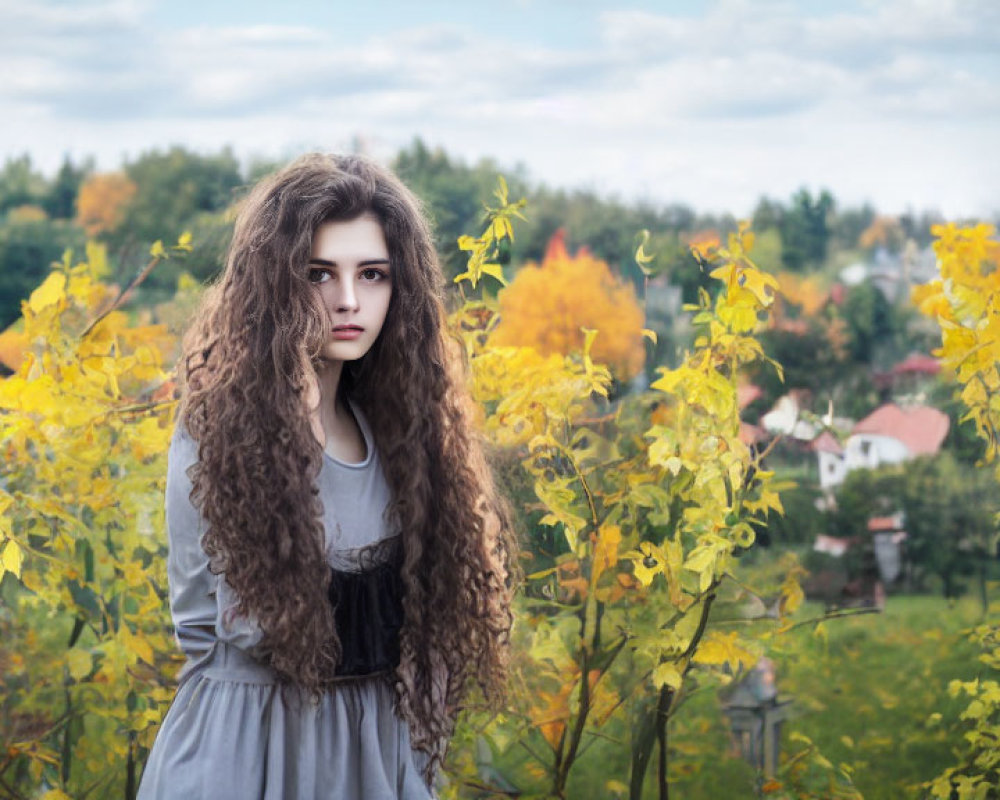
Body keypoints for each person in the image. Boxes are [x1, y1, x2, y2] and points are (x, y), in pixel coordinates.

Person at [137, 153, 518, 799]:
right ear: (277, 283)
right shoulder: (222, 433)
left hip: (372, 760)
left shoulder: (406, 437)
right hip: (246, 756)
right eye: (320, 273)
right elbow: (231, 631)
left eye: (372, 275)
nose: (348, 300)